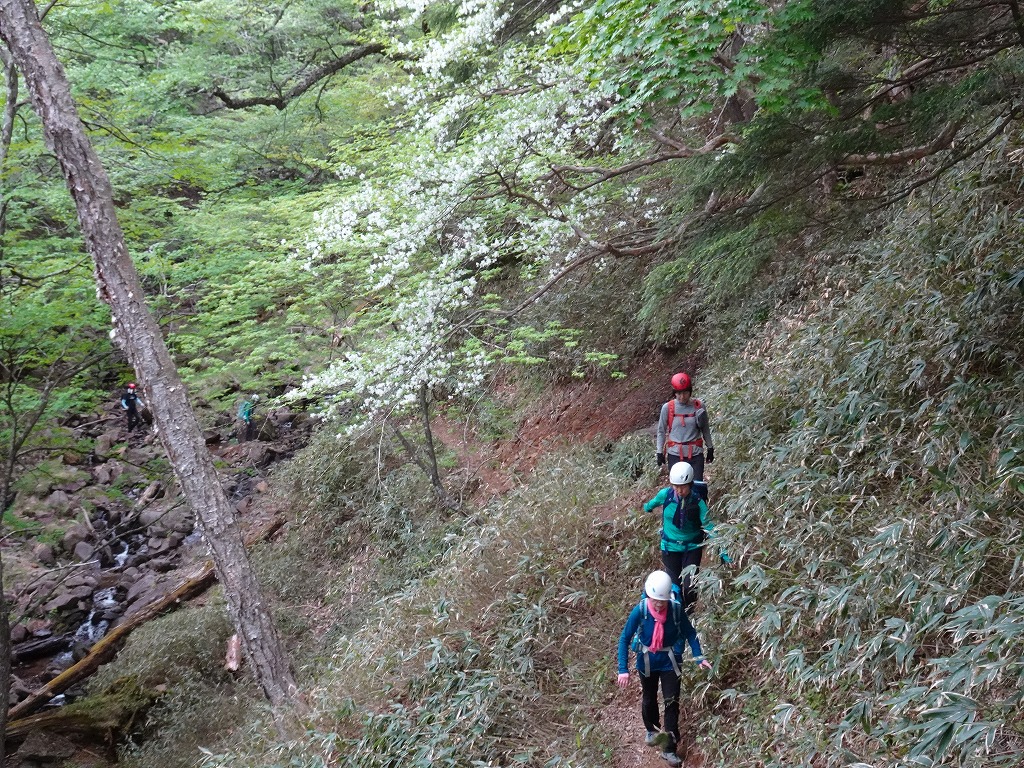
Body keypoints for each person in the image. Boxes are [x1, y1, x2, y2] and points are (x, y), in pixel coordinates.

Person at [616, 570, 713, 767]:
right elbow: (625, 638)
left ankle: (669, 749)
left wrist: (698, 656)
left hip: (670, 661)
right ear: (648, 595)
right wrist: (623, 669)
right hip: (647, 661)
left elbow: (690, 633)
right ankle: (651, 729)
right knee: (649, 698)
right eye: (655, 600)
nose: (659, 605)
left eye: (662, 601)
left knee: (671, 702)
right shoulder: (640, 610)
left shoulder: (676, 610)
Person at [644, 461, 729, 609]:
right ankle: (677, 613)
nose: (679, 490)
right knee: (674, 588)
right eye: (676, 486)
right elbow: (653, 503)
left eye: (683, 487)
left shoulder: (698, 502)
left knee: (690, 587)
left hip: (692, 548)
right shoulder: (666, 495)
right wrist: (647, 507)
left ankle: (690, 613)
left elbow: (709, 526)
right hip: (670, 547)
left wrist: (722, 550)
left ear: (690, 484)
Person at [656, 372, 714, 481]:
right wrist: (659, 452)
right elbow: (661, 431)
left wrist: (710, 447)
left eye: (685, 393)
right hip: (675, 455)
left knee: (696, 486)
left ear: (690, 391)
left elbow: (705, 428)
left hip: (695, 454)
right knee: (678, 487)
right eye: (679, 393)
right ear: (674, 393)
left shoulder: (699, 406)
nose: (682, 397)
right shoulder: (668, 408)